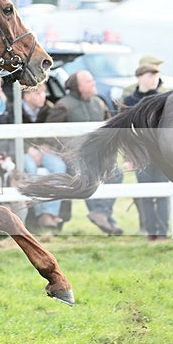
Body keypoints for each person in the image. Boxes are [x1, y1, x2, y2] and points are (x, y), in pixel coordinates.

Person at [47, 70, 124, 235]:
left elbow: (108, 127)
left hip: (97, 154)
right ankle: (101, 215)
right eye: (89, 81)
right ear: (78, 86)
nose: (93, 83)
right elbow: (51, 134)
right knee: (87, 172)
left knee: (116, 173)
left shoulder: (99, 103)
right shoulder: (63, 106)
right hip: (72, 157)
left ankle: (102, 213)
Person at [122, 63, 170, 241]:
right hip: (140, 155)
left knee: (163, 194)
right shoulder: (129, 102)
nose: (154, 79)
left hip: (161, 155)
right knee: (146, 195)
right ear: (140, 77)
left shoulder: (163, 99)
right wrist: (129, 157)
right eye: (150, 75)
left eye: (156, 76)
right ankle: (151, 232)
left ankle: (163, 232)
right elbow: (125, 133)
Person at [20, 82, 67, 229]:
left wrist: (47, 144)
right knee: (30, 167)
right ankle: (40, 213)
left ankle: (50, 213)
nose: (43, 97)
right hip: (23, 151)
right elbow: (9, 134)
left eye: (43, 93)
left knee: (59, 166)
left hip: (44, 150)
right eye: (38, 93)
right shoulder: (15, 109)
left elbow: (54, 131)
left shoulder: (50, 109)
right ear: (27, 96)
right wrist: (28, 148)